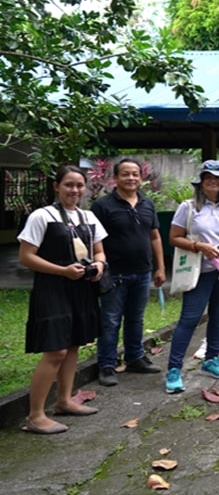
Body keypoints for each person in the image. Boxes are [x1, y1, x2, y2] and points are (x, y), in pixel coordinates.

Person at [18, 166, 107, 434]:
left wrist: (99, 267)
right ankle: (35, 415)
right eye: (69, 184)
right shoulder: (41, 216)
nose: (75, 190)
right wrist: (62, 271)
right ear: (56, 186)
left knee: (73, 345)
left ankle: (64, 400)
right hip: (52, 287)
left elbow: (100, 251)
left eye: (80, 185)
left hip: (80, 288)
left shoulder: (88, 217)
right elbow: (26, 257)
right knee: (55, 349)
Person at [165, 160, 219, 394]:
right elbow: (174, 237)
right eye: (209, 177)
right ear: (201, 181)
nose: (214, 181)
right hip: (199, 271)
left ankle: (212, 359)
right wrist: (199, 246)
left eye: (218, 178)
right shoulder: (188, 207)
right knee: (190, 319)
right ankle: (174, 369)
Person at [92, 159, 165, 387]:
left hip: (142, 273)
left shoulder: (147, 203)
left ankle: (135, 358)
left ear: (140, 177)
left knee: (136, 318)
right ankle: (106, 364)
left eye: (135, 174)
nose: (131, 178)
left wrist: (160, 267)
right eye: (125, 174)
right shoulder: (103, 206)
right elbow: (95, 240)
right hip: (114, 273)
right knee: (110, 321)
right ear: (115, 178)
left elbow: (155, 236)